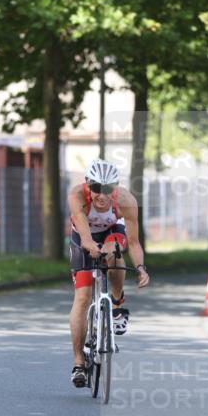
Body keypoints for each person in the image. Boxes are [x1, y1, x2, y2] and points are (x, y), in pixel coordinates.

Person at [68, 159, 150, 388]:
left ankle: (116, 304)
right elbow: (85, 237)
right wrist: (90, 246)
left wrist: (141, 268)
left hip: (113, 232)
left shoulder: (126, 201)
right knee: (82, 298)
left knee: (114, 251)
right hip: (83, 235)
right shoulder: (76, 196)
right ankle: (78, 363)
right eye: (96, 188)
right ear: (87, 185)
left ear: (115, 187)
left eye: (107, 189)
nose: (101, 195)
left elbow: (133, 243)